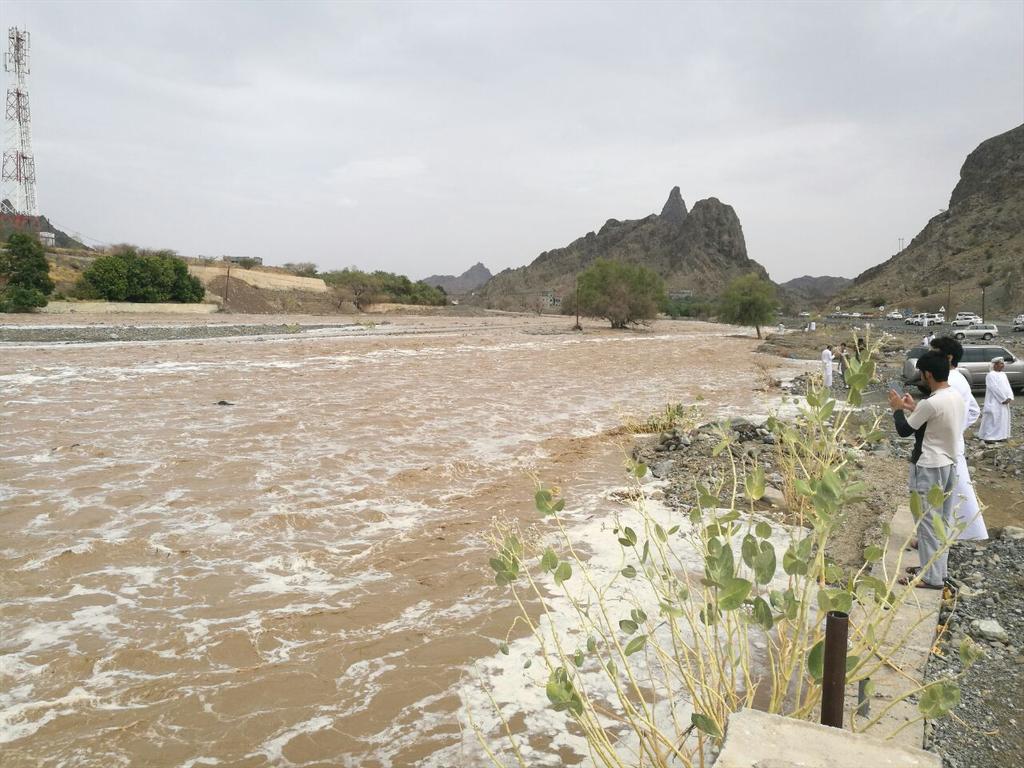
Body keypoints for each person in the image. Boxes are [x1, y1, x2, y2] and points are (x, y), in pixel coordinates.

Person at [888, 350, 964, 589]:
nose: (920, 377)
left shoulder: (932, 402)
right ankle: (935, 570)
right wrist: (914, 408)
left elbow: (904, 431)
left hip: (930, 466)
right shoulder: (954, 396)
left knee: (928, 523)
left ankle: (932, 579)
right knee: (941, 521)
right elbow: (932, 421)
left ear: (928, 374)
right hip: (949, 464)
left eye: (921, 373)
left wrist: (897, 409)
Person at [930, 336, 986, 539]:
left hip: (941, 447)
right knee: (958, 489)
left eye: (934, 352)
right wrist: (957, 428)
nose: (929, 356)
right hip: (952, 443)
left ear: (948, 357)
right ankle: (960, 532)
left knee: (941, 492)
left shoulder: (948, 381)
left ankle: (938, 536)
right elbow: (973, 411)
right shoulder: (959, 377)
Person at [977, 357, 1014, 442]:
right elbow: (994, 388)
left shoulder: (1003, 374)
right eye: (1001, 363)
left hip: (1004, 402)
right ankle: (990, 437)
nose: (1003, 365)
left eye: (1003, 363)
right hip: (994, 401)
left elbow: (1008, 387)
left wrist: (1009, 397)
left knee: (1002, 418)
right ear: (995, 365)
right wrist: (1003, 398)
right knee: (993, 418)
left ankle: (1001, 436)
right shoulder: (990, 375)